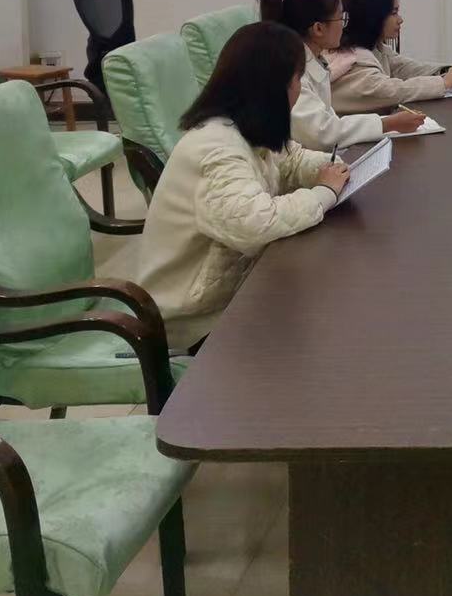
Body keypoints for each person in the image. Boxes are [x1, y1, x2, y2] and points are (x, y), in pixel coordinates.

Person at [126, 21, 350, 351]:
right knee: (322, 336)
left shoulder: (246, 127)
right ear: (273, 87)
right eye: (297, 79)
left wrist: (329, 168)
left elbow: (290, 161)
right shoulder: (216, 147)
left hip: (229, 295)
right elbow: (255, 223)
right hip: (192, 321)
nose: (299, 89)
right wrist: (324, 193)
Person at [258, 0, 426, 149]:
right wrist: (387, 124)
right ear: (318, 29)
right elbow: (321, 133)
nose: (344, 25)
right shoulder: (293, 73)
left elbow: (329, 122)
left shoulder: (314, 61)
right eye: (341, 18)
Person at [329, 0, 452, 113]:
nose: (400, 20)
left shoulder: (373, 48)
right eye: (394, 13)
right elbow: (392, 91)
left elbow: (403, 67)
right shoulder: (353, 62)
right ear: (374, 17)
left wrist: (448, 70)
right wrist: (443, 83)